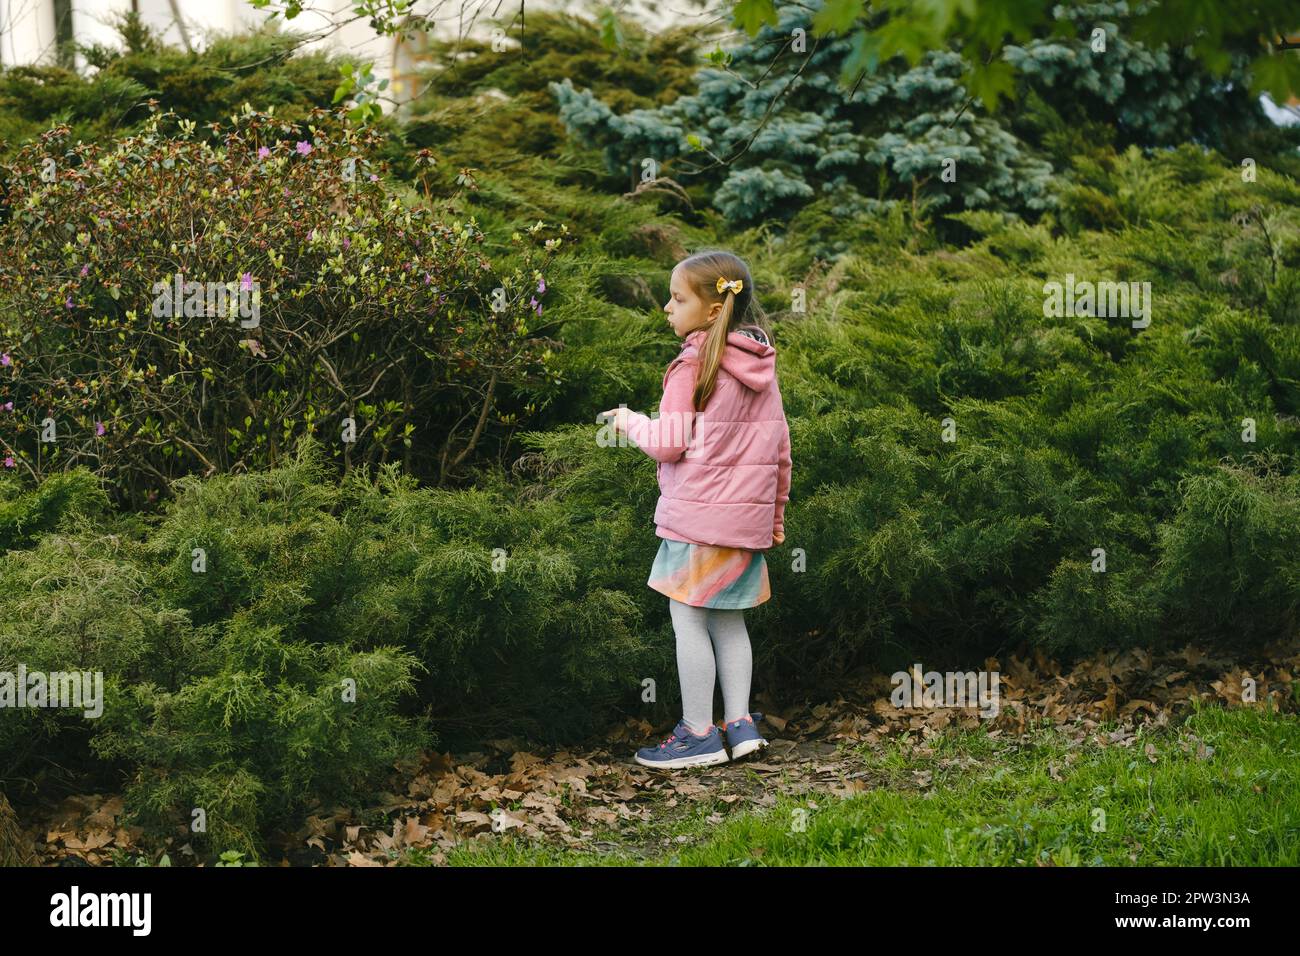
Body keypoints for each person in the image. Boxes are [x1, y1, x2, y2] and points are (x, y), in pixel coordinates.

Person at [599, 250, 792, 769]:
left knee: (687, 620)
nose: (666, 307)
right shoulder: (762, 366)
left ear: (710, 311)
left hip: (696, 522)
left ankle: (698, 734)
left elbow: (667, 443)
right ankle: (741, 724)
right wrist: (772, 520)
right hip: (743, 524)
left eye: (677, 297)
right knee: (730, 623)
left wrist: (628, 420)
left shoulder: (693, 365)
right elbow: (780, 451)